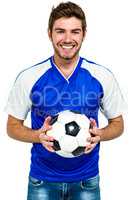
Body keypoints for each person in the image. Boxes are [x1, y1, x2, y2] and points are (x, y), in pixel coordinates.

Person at [5, 1, 125, 200]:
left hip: (87, 181)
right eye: (60, 31)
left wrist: (101, 134)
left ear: (84, 34)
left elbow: (118, 124)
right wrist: (37, 136)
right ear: (49, 33)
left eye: (75, 32)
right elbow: (12, 126)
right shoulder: (30, 77)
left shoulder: (101, 76)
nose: (67, 39)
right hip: (42, 180)